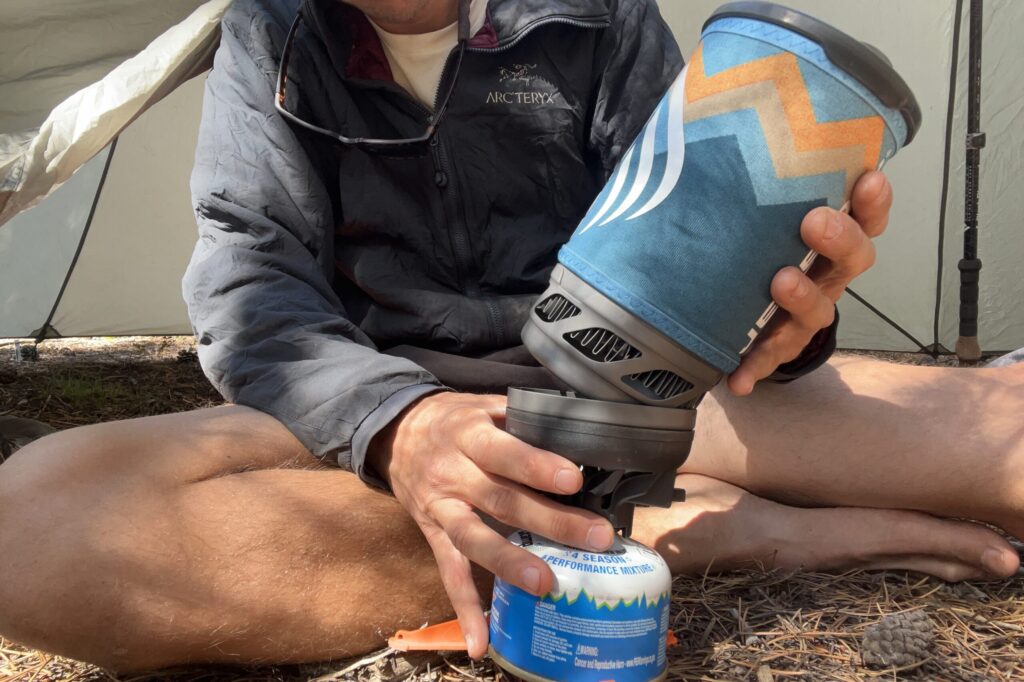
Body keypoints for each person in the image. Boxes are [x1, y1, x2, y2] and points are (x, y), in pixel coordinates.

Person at [0, 0, 1021, 672]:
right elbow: (249, 280)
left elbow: (697, 242)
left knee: (1008, 436)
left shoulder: (598, 14)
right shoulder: (272, 33)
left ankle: (603, 518)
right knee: (27, 532)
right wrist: (399, 426)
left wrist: (785, 310)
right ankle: (674, 534)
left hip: (635, 397)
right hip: (365, 411)